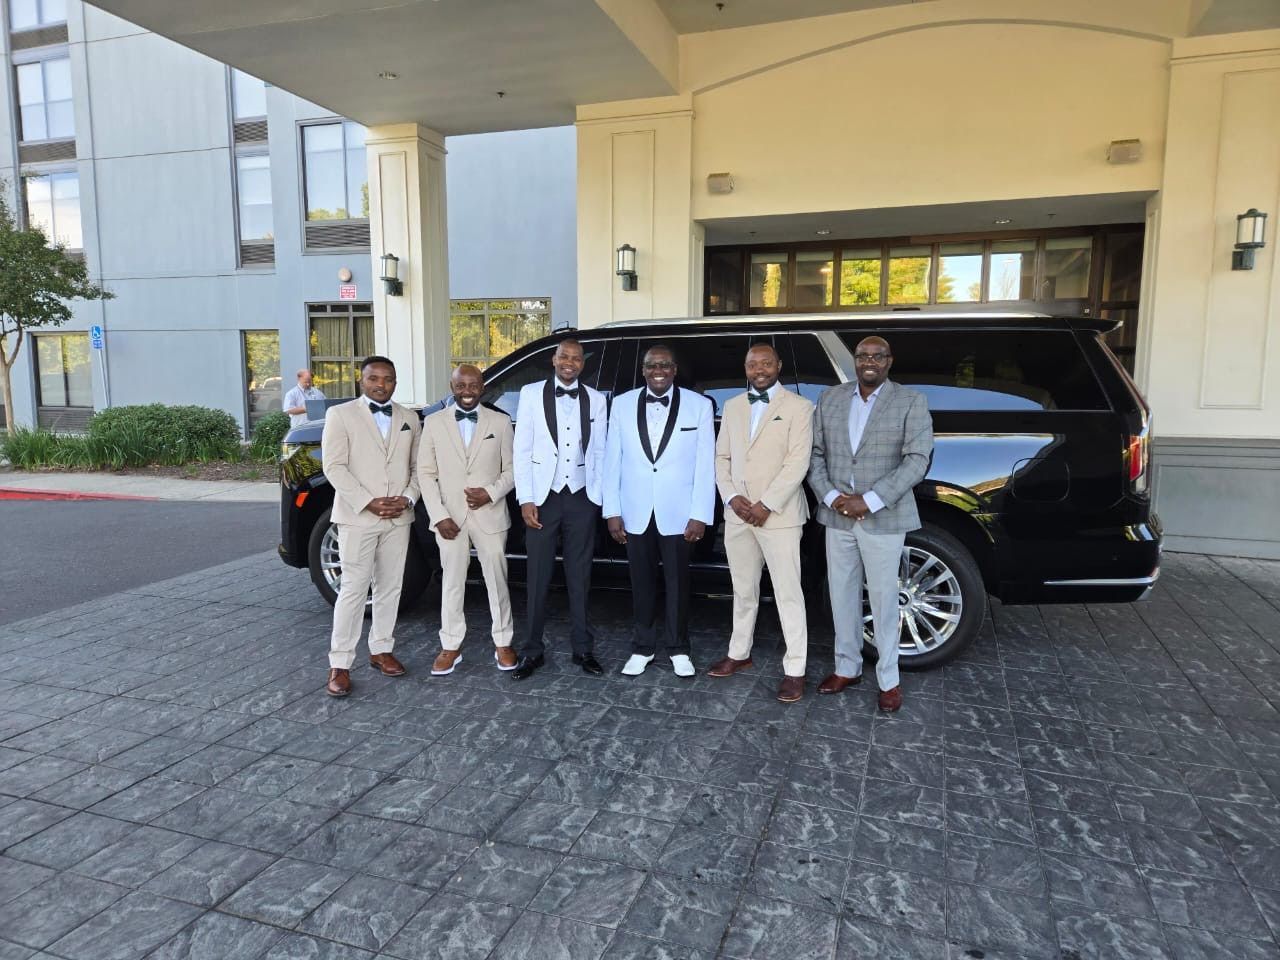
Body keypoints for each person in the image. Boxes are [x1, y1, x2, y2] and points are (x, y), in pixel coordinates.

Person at [808, 335, 933, 713]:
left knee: (883, 599)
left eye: (878, 356)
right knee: (841, 594)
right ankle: (846, 668)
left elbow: (917, 459)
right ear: (855, 360)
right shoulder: (830, 399)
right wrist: (832, 497)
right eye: (863, 355)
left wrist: (870, 500)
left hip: (884, 516)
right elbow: (815, 454)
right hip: (837, 515)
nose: (869, 361)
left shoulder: (911, 401)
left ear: (889, 361)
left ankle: (889, 680)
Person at [708, 343, 814, 703]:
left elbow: (798, 462)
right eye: (753, 364)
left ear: (778, 365)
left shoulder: (799, 407)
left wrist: (767, 504)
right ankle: (739, 652)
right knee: (743, 589)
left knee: (788, 592)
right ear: (746, 368)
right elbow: (721, 457)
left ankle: (795, 668)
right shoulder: (733, 406)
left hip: (779, 515)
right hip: (738, 514)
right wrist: (731, 497)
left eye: (766, 363)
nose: (760, 369)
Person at [603, 345, 715, 678]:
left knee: (678, 582)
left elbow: (705, 464)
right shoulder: (621, 404)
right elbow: (612, 460)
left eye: (665, 365)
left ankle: (679, 648)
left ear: (675, 369)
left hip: (680, 512)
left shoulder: (699, 406)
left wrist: (700, 514)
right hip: (634, 509)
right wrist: (612, 510)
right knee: (640, 582)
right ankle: (643, 647)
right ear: (643, 370)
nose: (658, 371)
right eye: (652, 365)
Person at [321, 355, 420, 697]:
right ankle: (340, 663)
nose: (381, 384)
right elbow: (334, 467)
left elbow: (418, 467)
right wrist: (368, 501)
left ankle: (381, 649)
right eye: (374, 378)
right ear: (361, 380)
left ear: (395, 382)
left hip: (398, 517)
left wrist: (408, 498)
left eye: (388, 379)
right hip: (358, 516)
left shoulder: (409, 418)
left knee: (390, 586)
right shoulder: (340, 415)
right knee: (353, 588)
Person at [510, 338, 608, 680]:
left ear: (583, 364)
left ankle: (583, 648)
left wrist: (596, 498)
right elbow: (522, 449)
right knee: (537, 576)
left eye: (576, 358)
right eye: (564, 356)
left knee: (580, 576)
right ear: (553, 360)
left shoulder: (596, 400)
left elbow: (600, 451)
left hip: (581, 496)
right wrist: (526, 498)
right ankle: (531, 650)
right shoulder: (530, 394)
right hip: (543, 497)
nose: (570, 362)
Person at [417, 364, 516, 676]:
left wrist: (491, 493)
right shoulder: (433, 423)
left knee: (497, 579)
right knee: (451, 581)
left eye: (474, 385)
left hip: (490, 515)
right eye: (461, 386)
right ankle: (450, 644)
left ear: (483, 387)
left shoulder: (500, 422)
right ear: (452, 387)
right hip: (450, 518)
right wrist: (439, 516)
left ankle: (503, 641)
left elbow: (513, 469)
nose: (468, 392)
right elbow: (425, 474)